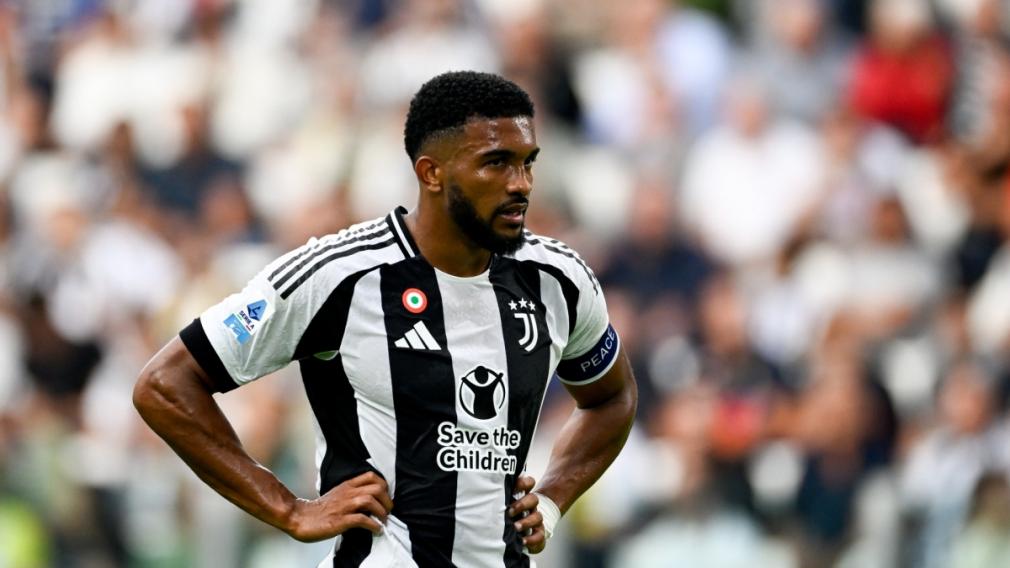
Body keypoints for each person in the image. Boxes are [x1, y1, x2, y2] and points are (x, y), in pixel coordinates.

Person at [133, 70, 638, 567]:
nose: (520, 184)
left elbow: (612, 397)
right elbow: (165, 384)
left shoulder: (558, 280)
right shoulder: (339, 274)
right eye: (496, 163)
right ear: (431, 173)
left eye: (528, 163)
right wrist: (288, 509)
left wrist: (552, 499)